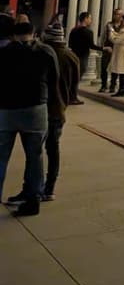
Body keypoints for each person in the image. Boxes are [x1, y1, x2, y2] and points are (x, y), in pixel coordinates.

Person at [10, 24, 79, 202]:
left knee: (34, 153)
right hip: (58, 109)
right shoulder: (71, 56)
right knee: (52, 150)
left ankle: (32, 189)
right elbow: (74, 86)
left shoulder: (42, 53)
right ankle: (49, 187)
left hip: (39, 106)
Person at [0, 20, 58, 216]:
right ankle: (33, 200)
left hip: (7, 109)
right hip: (36, 108)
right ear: (33, 33)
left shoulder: (4, 52)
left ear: (13, 36)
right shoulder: (46, 51)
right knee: (35, 157)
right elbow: (54, 80)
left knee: (1, 158)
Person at [100, 8, 123, 93]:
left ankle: (112, 85)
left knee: (115, 68)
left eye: (121, 15)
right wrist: (102, 46)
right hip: (107, 48)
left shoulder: (122, 26)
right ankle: (103, 85)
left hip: (117, 49)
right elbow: (103, 36)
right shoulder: (108, 25)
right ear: (114, 15)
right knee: (104, 67)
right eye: (118, 14)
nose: (120, 16)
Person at [68, 11, 94, 85]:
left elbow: (70, 44)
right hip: (83, 56)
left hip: (73, 55)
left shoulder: (73, 30)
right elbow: (91, 45)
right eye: (90, 18)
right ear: (85, 19)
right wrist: (103, 48)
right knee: (78, 76)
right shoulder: (89, 32)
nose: (90, 20)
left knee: (73, 76)